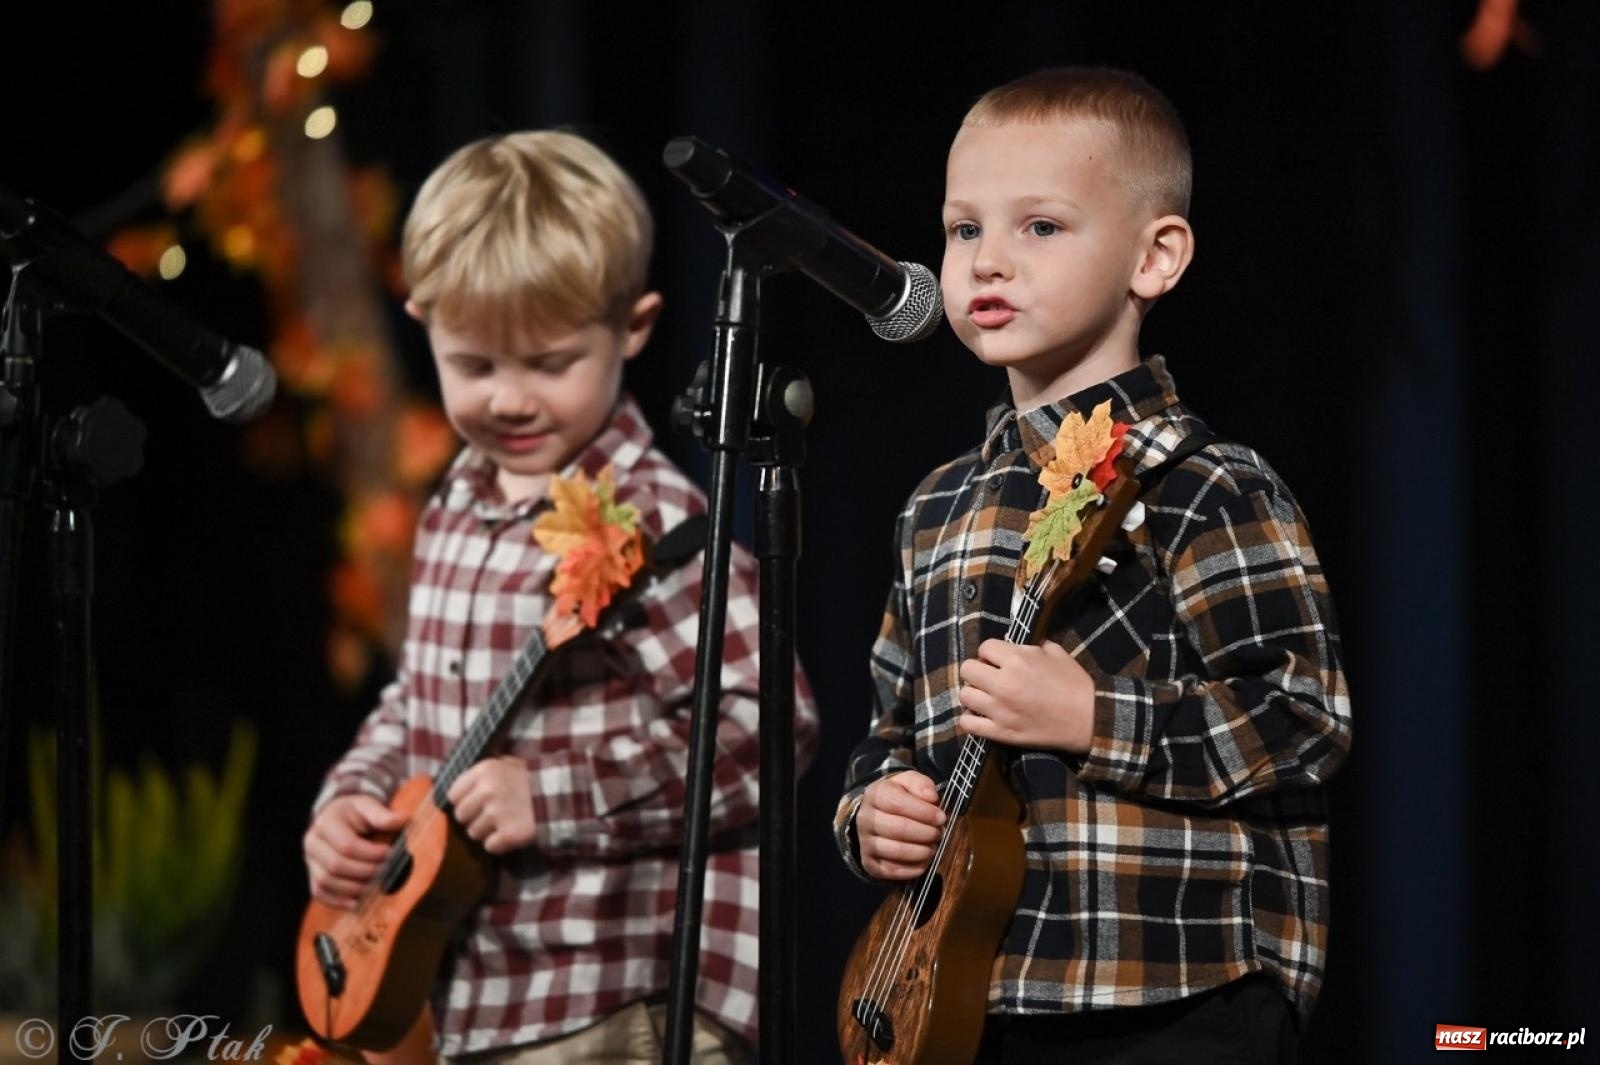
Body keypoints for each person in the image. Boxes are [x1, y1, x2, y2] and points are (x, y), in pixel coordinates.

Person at [835, 67, 1351, 1064]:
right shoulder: (936, 504)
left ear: (1154, 258)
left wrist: (1089, 719)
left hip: (1173, 990)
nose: (987, 263)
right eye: (962, 229)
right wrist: (871, 811)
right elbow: (887, 727)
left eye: (1039, 227)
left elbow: (1301, 719)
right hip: (968, 994)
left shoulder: (1205, 481)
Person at [303, 129, 819, 1064]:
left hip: (625, 993)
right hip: (480, 993)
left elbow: (767, 723)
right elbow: (419, 704)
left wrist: (556, 794)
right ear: (422, 319)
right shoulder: (454, 504)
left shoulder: (655, 520)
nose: (509, 398)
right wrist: (351, 803)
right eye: (475, 364)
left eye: (549, 363)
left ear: (634, 326)